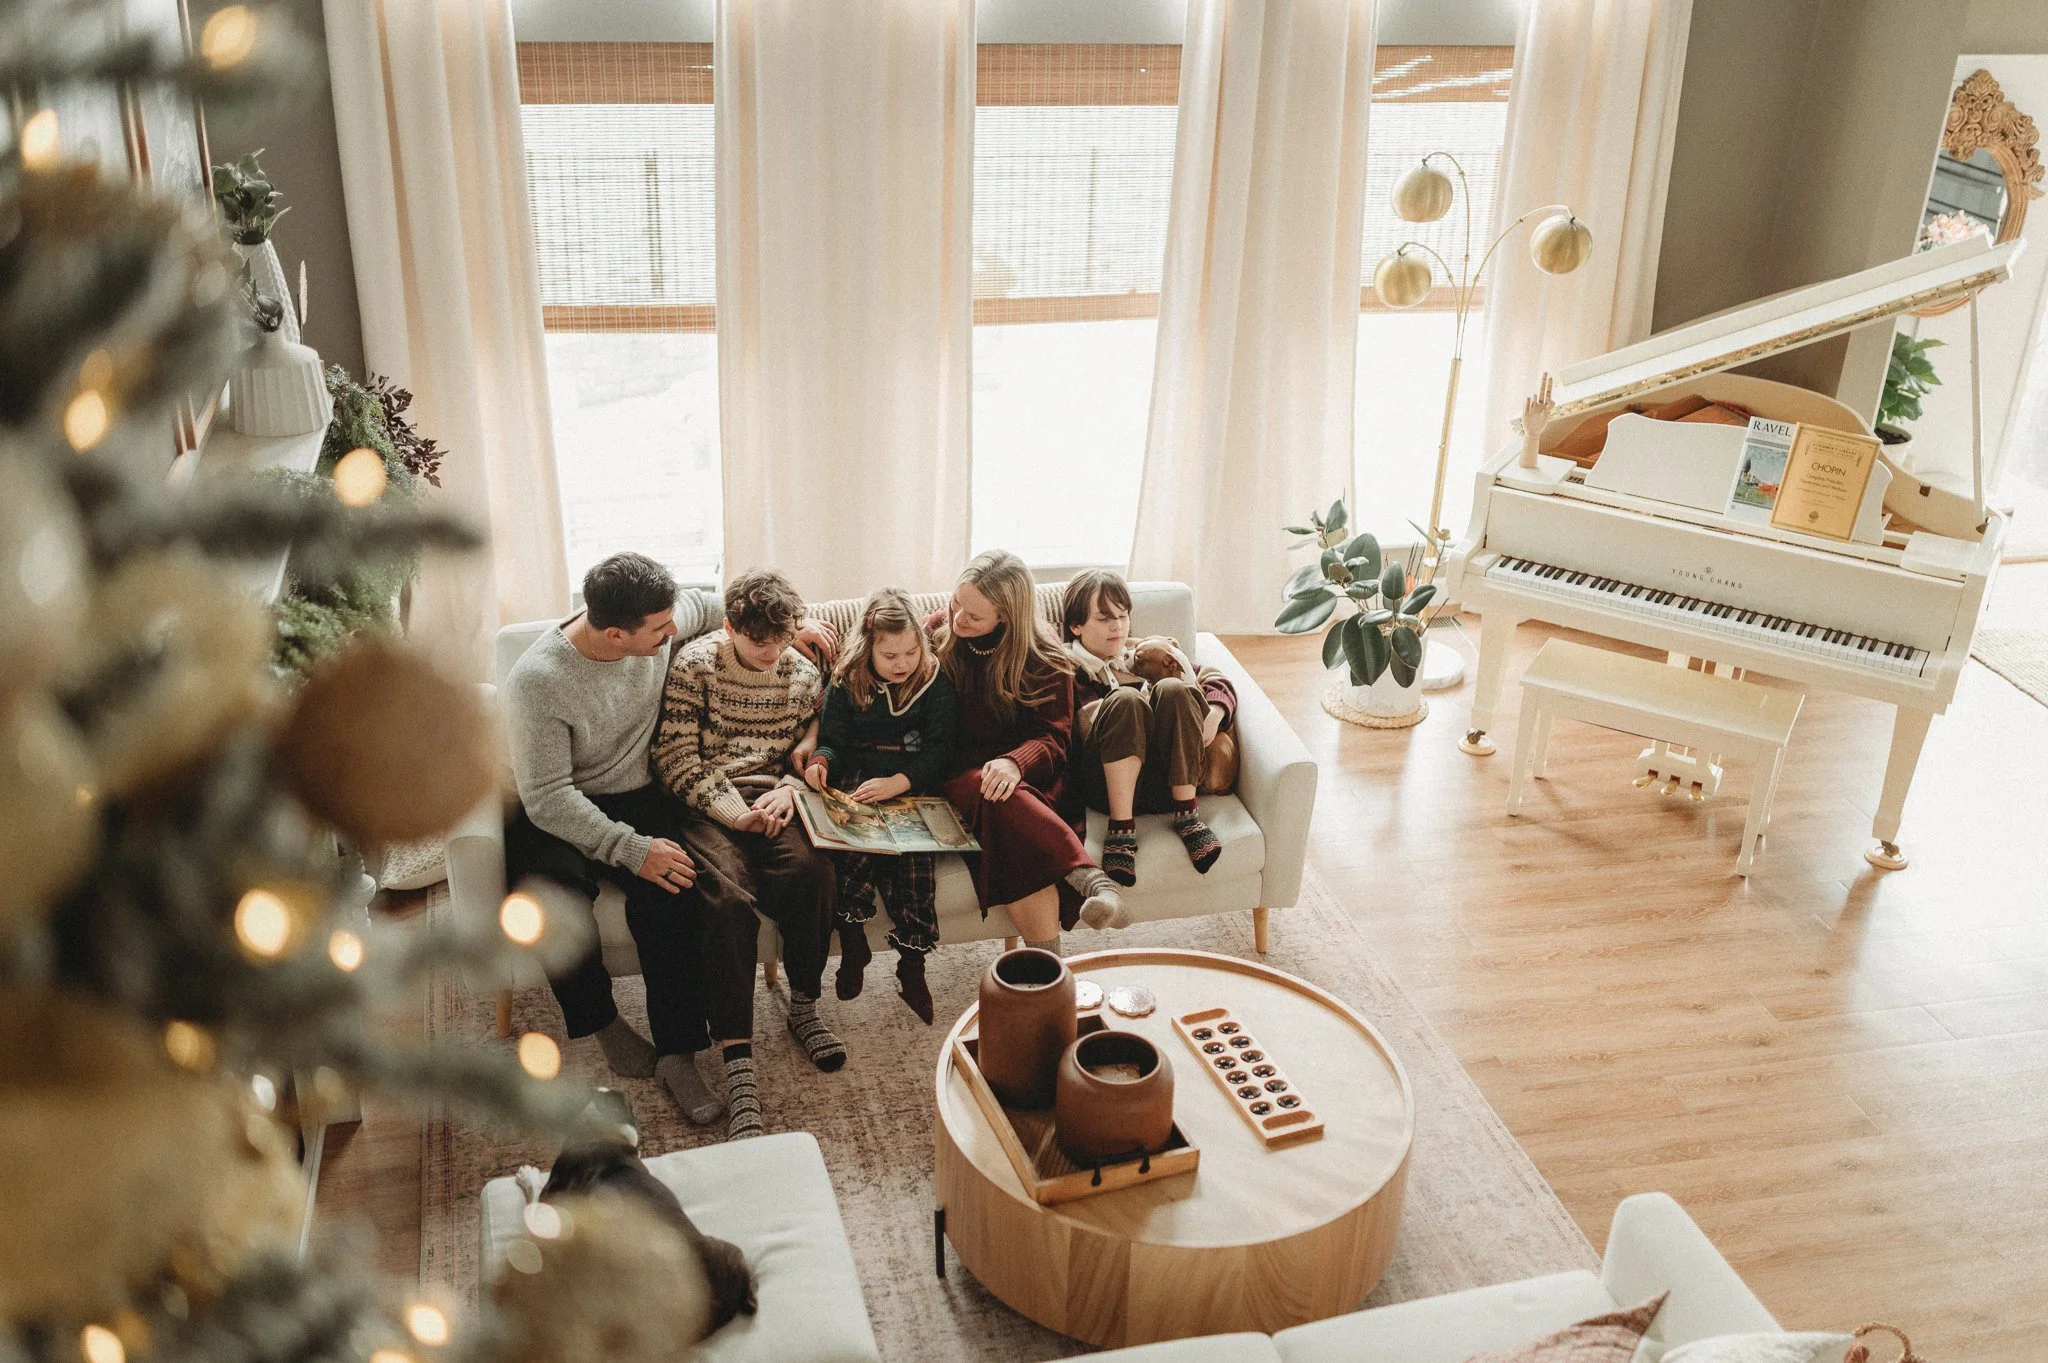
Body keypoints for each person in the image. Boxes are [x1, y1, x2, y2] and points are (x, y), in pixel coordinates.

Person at [501, 552, 730, 1127]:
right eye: (660, 629)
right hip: (556, 804)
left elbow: (720, 602)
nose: (674, 632)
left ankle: (680, 1051)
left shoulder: (661, 618)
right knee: (552, 900)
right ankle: (602, 1023)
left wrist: (786, 624)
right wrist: (630, 849)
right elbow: (548, 797)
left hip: (637, 792)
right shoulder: (538, 682)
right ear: (614, 634)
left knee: (677, 888)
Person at [653, 567, 845, 1142]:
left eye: (782, 640)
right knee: (726, 905)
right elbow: (677, 761)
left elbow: (814, 736)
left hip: (776, 797)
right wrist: (736, 814)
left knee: (814, 874)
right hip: (709, 804)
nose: (772, 653)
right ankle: (738, 1064)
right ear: (731, 626)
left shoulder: (801, 671)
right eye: (759, 641)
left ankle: (804, 1005)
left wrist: (794, 787)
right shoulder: (694, 667)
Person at [931, 550, 1125, 952]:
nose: (957, 619)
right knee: (991, 790)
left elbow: (1055, 739)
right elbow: (878, 637)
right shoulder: (938, 631)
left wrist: (1015, 763)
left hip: (1030, 781)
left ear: (1006, 616)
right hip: (958, 775)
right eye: (955, 603)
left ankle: (1045, 979)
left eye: (974, 615)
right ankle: (1092, 881)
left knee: (1007, 821)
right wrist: (804, 630)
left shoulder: (1044, 655)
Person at [801, 587, 958, 1023]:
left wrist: (899, 782)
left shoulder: (932, 679)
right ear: (868, 647)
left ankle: (913, 966)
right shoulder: (847, 678)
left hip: (912, 778)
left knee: (915, 863)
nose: (902, 663)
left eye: (910, 651)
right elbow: (832, 742)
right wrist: (820, 762)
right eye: (890, 656)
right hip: (858, 780)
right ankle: (854, 943)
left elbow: (941, 750)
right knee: (853, 854)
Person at [1060, 569, 1237, 887]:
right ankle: (1121, 832)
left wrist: (1213, 713)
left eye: (1123, 615)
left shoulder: (1141, 651)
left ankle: (1188, 817)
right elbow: (1079, 728)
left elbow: (1212, 676)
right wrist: (1138, 703)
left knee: (1174, 689)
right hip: (1105, 786)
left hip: (1167, 783)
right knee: (1126, 701)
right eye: (1103, 618)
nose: (1117, 625)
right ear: (1076, 625)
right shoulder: (1065, 667)